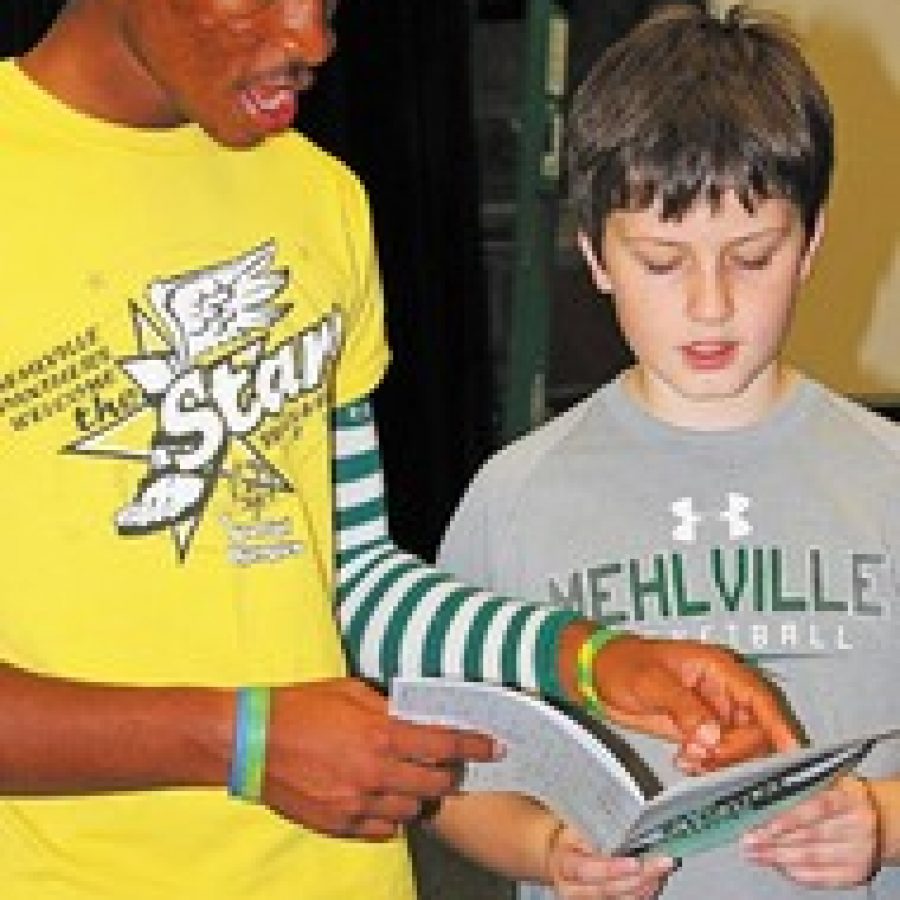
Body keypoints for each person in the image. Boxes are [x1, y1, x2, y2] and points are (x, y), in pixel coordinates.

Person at [0, 1, 797, 898]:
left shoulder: (319, 196)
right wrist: (243, 743)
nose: (311, 40)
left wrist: (593, 658)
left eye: (330, 1)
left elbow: (351, 575)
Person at [432, 4, 900, 899]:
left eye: (753, 256)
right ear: (595, 256)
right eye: (660, 261)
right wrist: (546, 850)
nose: (711, 304)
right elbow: (451, 778)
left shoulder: (887, 481)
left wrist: (878, 820)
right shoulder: (516, 496)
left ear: (811, 246)